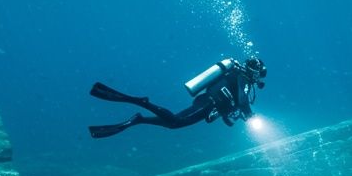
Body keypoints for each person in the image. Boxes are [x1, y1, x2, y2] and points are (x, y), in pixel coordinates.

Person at [88, 57, 266, 138]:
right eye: (260, 73)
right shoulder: (242, 77)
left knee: (173, 124)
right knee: (176, 120)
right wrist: (251, 116)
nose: (260, 77)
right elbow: (242, 100)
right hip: (208, 102)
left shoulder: (238, 76)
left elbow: (233, 100)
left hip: (208, 104)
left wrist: (226, 116)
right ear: (254, 71)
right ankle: (142, 102)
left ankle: (139, 119)